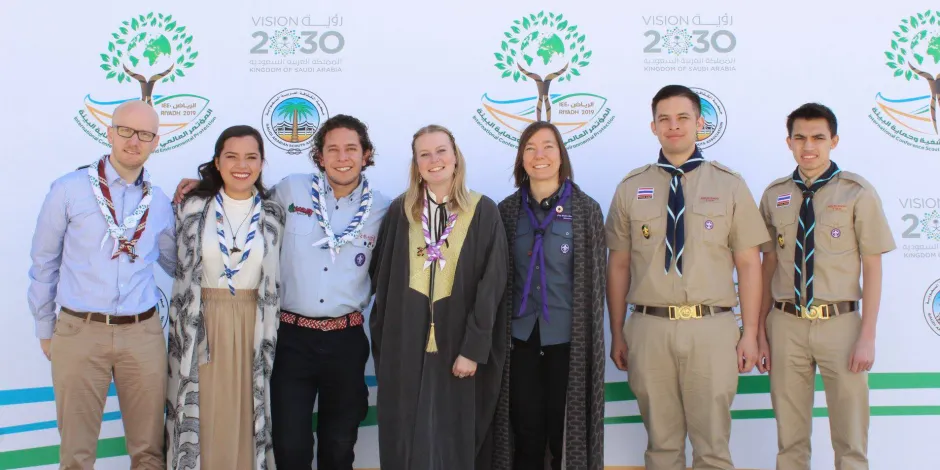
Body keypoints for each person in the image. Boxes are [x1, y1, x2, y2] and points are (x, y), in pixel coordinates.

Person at [174, 114, 389, 470]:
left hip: (346, 339)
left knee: (340, 445)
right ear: (319, 156)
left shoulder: (384, 209)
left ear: (366, 154)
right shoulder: (290, 190)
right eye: (332, 149)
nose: (342, 157)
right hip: (291, 338)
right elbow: (241, 199)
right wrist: (204, 186)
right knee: (289, 446)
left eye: (351, 149)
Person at [605, 84, 769, 470]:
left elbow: (749, 265)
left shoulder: (729, 185)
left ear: (699, 124)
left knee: (712, 447)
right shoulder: (631, 187)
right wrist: (618, 332)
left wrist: (749, 333)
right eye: (664, 119)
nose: (673, 126)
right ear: (653, 127)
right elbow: (619, 266)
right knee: (661, 448)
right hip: (650, 329)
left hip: (711, 329)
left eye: (683, 118)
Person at [27, 100, 176, 469]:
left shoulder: (159, 202)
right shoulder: (69, 189)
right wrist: (45, 327)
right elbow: (44, 262)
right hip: (80, 331)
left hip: (142, 334)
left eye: (145, 134)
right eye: (125, 130)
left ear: (156, 142)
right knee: (76, 454)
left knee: (149, 451)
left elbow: (177, 264)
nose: (134, 141)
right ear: (110, 133)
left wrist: (202, 199)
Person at [756, 103, 895, 470]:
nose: (808, 146)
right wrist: (758, 331)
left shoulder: (856, 192)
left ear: (834, 141)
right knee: (790, 438)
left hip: (841, 324)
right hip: (785, 323)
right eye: (800, 137)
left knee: (850, 437)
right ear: (788, 142)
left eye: (818, 137)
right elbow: (768, 264)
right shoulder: (774, 195)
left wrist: (867, 335)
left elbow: (873, 266)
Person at [369, 124, 508, 470]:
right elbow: (382, 283)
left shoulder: (483, 211)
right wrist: (388, 347)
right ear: (416, 164)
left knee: (452, 437)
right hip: (406, 344)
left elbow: (492, 285)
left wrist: (473, 348)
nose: (434, 160)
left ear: (455, 156)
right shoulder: (400, 212)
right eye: (425, 154)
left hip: (458, 343)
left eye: (441, 151)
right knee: (405, 434)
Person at [165, 125, 284, 470]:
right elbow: (174, 262)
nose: (241, 165)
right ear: (217, 162)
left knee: (246, 414)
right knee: (200, 414)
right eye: (231, 156)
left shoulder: (274, 213)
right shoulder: (191, 206)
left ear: (262, 162)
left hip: (253, 325)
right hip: (200, 324)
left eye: (251, 157)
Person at [491, 121, 607, 470]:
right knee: (526, 435)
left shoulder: (586, 210)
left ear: (561, 155)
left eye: (548, 146)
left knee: (563, 435)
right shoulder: (505, 212)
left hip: (568, 341)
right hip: (520, 341)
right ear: (521, 159)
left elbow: (596, 284)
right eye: (530, 148)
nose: (539, 155)